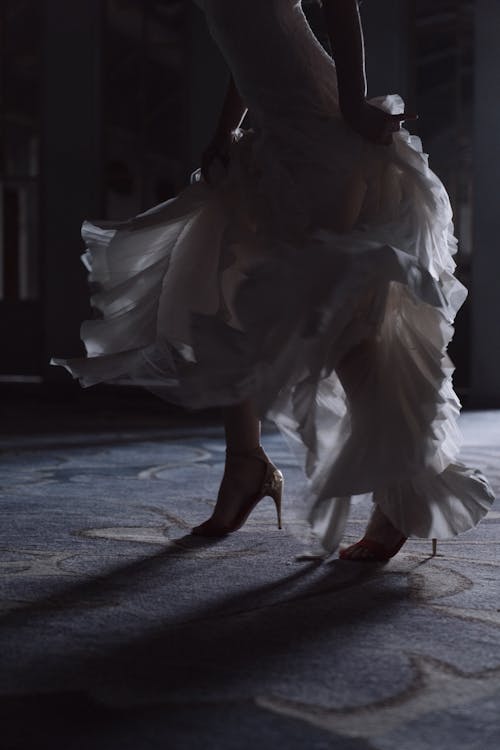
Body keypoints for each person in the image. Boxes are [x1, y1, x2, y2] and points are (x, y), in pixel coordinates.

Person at [52, 0, 494, 561]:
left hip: (320, 133)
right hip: (271, 139)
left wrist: (355, 106)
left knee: (336, 316)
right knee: (231, 297)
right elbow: (249, 44)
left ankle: (402, 488)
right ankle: (247, 464)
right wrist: (225, 128)